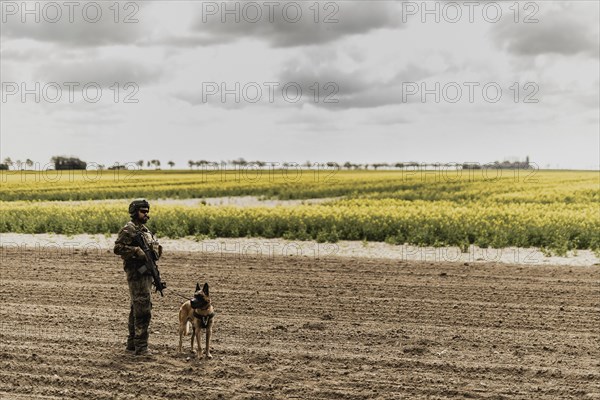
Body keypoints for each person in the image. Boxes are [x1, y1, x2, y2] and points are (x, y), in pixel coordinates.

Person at [114, 199, 163, 356]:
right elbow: (118, 248)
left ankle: (132, 345)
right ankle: (141, 347)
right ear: (135, 212)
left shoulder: (145, 230)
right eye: (143, 211)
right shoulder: (128, 230)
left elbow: (153, 250)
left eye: (147, 211)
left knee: (137, 307)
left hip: (146, 274)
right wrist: (135, 251)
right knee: (143, 309)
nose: (146, 214)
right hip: (137, 274)